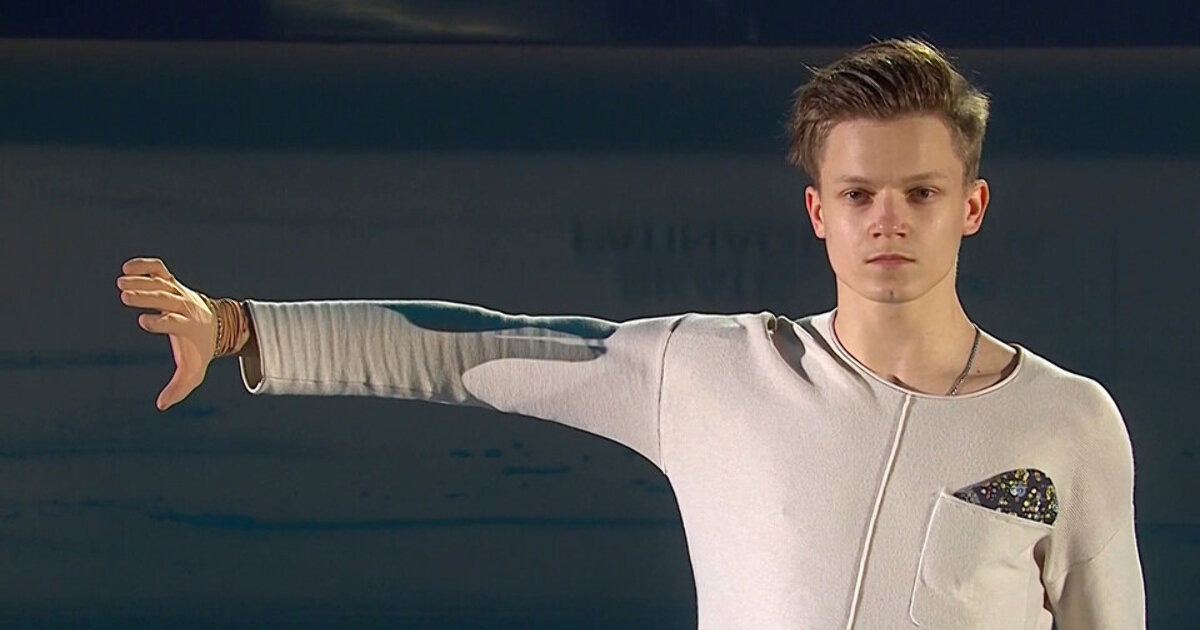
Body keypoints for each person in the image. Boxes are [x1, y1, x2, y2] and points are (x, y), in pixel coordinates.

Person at [116, 37, 1144, 629]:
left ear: (971, 205)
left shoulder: (1066, 422)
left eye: (920, 192)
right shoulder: (715, 374)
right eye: (858, 192)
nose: (888, 219)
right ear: (818, 212)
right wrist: (240, 327)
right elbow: (472, 350)